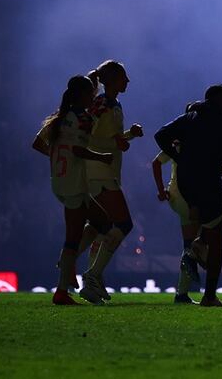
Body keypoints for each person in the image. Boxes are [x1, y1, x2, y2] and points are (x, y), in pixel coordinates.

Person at [154, 84, 222, 307]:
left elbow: (160, 135)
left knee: (203, 222)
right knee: (216, 237)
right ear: (221, 100)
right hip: (209, 182)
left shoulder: (189, 119)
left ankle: (194, 252)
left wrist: (179, 159)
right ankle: (208, 292)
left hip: (186, 184)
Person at [31, 76, 113, 305]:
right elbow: (78, 150)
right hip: (75, 184)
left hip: (59, 180)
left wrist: (57, 156)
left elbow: (37, 144)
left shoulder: (58, 118)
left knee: (101, 223)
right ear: (81, 95)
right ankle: (62, 286)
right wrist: (101, 157)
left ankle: (68, 266)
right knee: (81, 234)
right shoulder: (82, 118)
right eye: (90, 93)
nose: (92, 97)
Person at [79, 60, 144, 303]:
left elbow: (109, 139)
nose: (127, 81)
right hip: (100, 171)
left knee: (102, 226)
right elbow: (88, 135)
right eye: (123, 77)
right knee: (124, 224)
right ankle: (92, 276)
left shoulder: (112, 103)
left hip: (105, 170)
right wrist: (115, 143)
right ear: (112, 80)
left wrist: (128, 136)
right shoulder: (101, 103)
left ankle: (90, 276)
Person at [150, 102, 201, 305]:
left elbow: (156, 163)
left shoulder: (176, 140)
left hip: (175, 194)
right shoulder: (196, 140)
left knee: (190, 240)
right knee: (202, 235)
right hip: (188, 195)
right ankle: (191, 261)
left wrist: (161, 189)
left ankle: (182, 294)